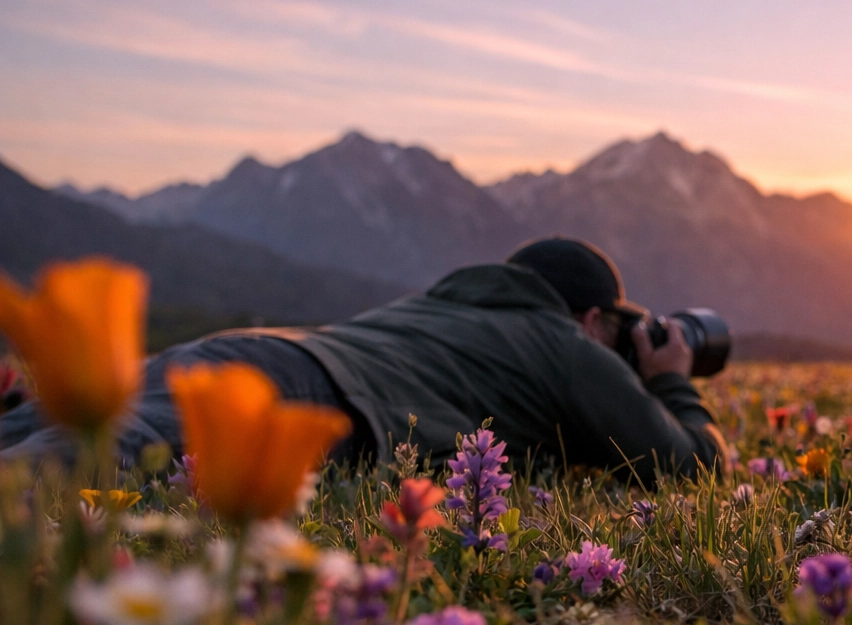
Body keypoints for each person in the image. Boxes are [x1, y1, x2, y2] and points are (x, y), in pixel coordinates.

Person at [0, 239, 725, 484]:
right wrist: (668, 381)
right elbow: (689, 467)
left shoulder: (443, 304)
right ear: (593, 318)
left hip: (248, 351)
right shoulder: (567, 346)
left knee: (51, 434)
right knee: (58, 470)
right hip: (304, 399)